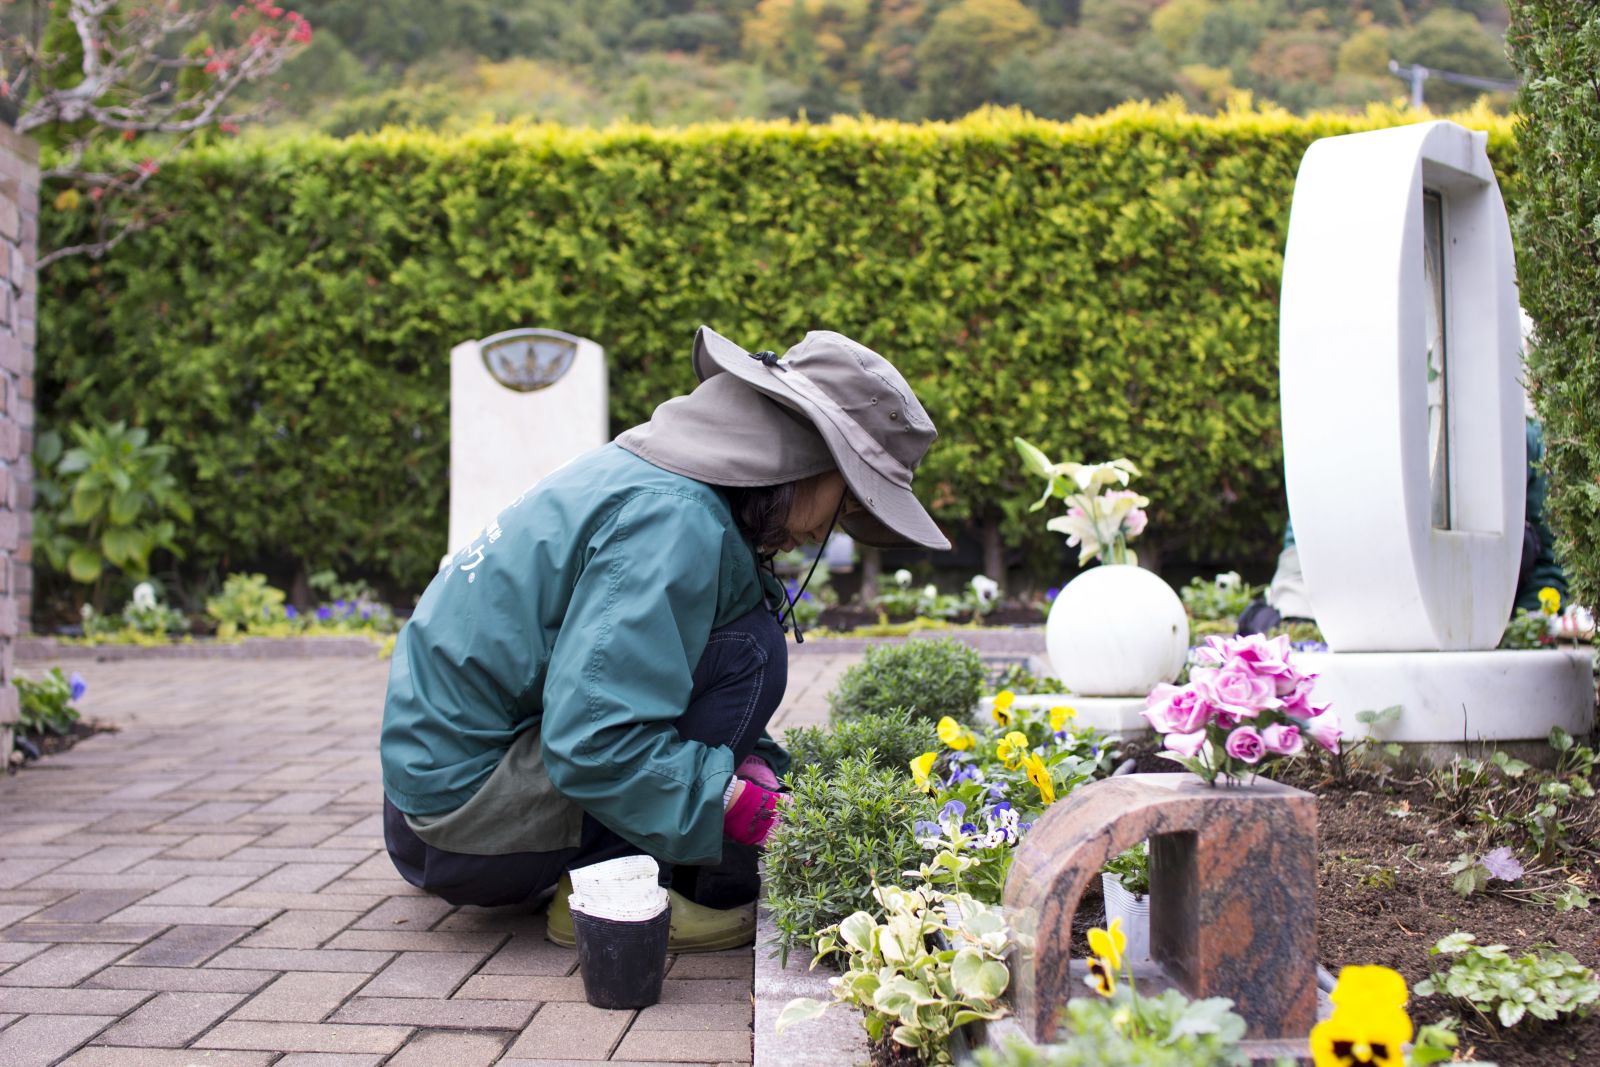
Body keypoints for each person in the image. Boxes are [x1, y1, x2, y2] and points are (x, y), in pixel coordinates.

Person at [379, 326, 950, 952]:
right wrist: (738, 804)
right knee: (750, 649)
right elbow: (594, 738)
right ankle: (611, 894)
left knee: (736, 643)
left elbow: (633, 670)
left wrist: (757, 762)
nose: (825, 532)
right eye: (846, 503)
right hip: (464, 824)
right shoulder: (671, 518)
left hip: (431, 803)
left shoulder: (657, 480)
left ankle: (619, 860)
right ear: (807, 455)